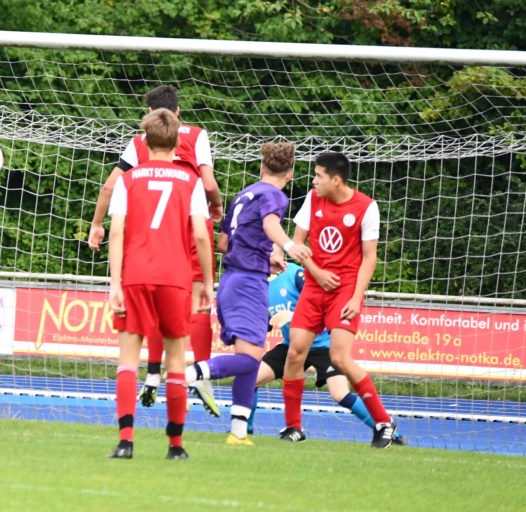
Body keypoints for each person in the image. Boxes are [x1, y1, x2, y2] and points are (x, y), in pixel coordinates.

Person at [89, 85, 223, 408]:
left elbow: (109, 187)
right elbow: (207, 183)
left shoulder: (141, 141)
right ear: (178, 112)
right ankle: (200, 374)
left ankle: (151, 375)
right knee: (197, 302)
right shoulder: (198, 135)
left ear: (149, 115)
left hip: (153, 231)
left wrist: (96, 224)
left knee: (153, 298)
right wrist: (216, 205)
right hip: (191, 221)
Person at [185, 142, 311, 445]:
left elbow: (224, 244)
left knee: (248, 359)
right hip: (249, 284)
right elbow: (270, 223)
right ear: (290, 174)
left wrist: (265, 257)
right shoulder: (274, 196)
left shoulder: (243, 195)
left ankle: (238, 432)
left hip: (231, 280)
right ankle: (191, 374)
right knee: (251, 362)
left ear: (261, 167)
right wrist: (288, 246)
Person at [106, 108, 214, 460]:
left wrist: (115, 283)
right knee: (176, 360)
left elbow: (117, 232)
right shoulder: (190, 181)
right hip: (175, 277)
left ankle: (125, 442)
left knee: (128, 359)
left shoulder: (128, 179)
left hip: (136, 275)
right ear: (178, 141)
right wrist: (206, 281)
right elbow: (201, 235)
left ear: (144, 141)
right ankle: (175, 446)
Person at [274, 152, 398, 448]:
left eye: (319, 176)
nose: (314, 181)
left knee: (340, 358)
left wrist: (356, 297)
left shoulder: (366, 207)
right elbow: (298, 243)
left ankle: (383, 421)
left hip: (344, 292)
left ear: (336, 180)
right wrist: (317, 272)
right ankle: (293, 427)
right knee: (295, 353)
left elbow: (369, 257)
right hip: (314, 288)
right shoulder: (312, 200)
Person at [247, 262, 405, 445]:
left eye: (270, 249)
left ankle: (389, 432)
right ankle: (245, 430)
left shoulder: (296, 275)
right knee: (249, 380)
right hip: (292, 346)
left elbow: (320, 303)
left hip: (323, 345)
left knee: (340, 394)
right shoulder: (260, 285)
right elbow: (265, 323)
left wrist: (293, 317)